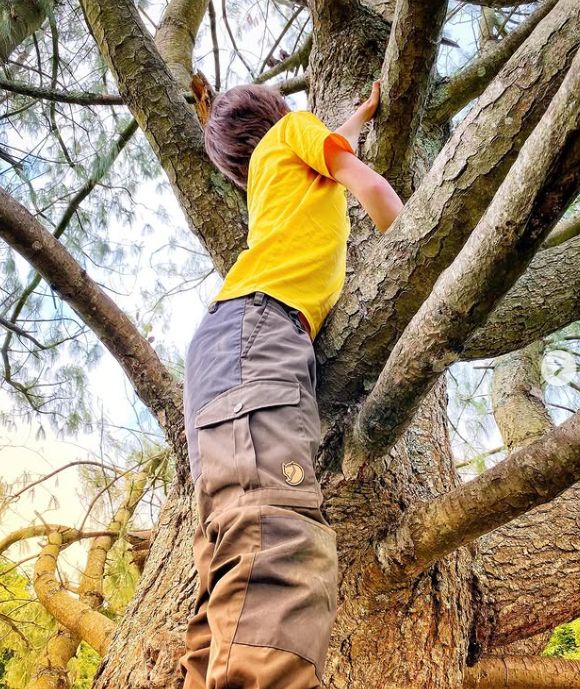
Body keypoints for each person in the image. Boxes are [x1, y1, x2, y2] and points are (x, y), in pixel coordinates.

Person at [179, 81, 403, 689]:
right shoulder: (293, 133)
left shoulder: (276, 176)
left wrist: (357, 117)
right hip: (257, 334)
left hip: (226, 354)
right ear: (277, 114)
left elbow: (336, 150)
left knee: (231, 559)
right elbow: (370, 186)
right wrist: (418, 255)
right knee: (273, 537)